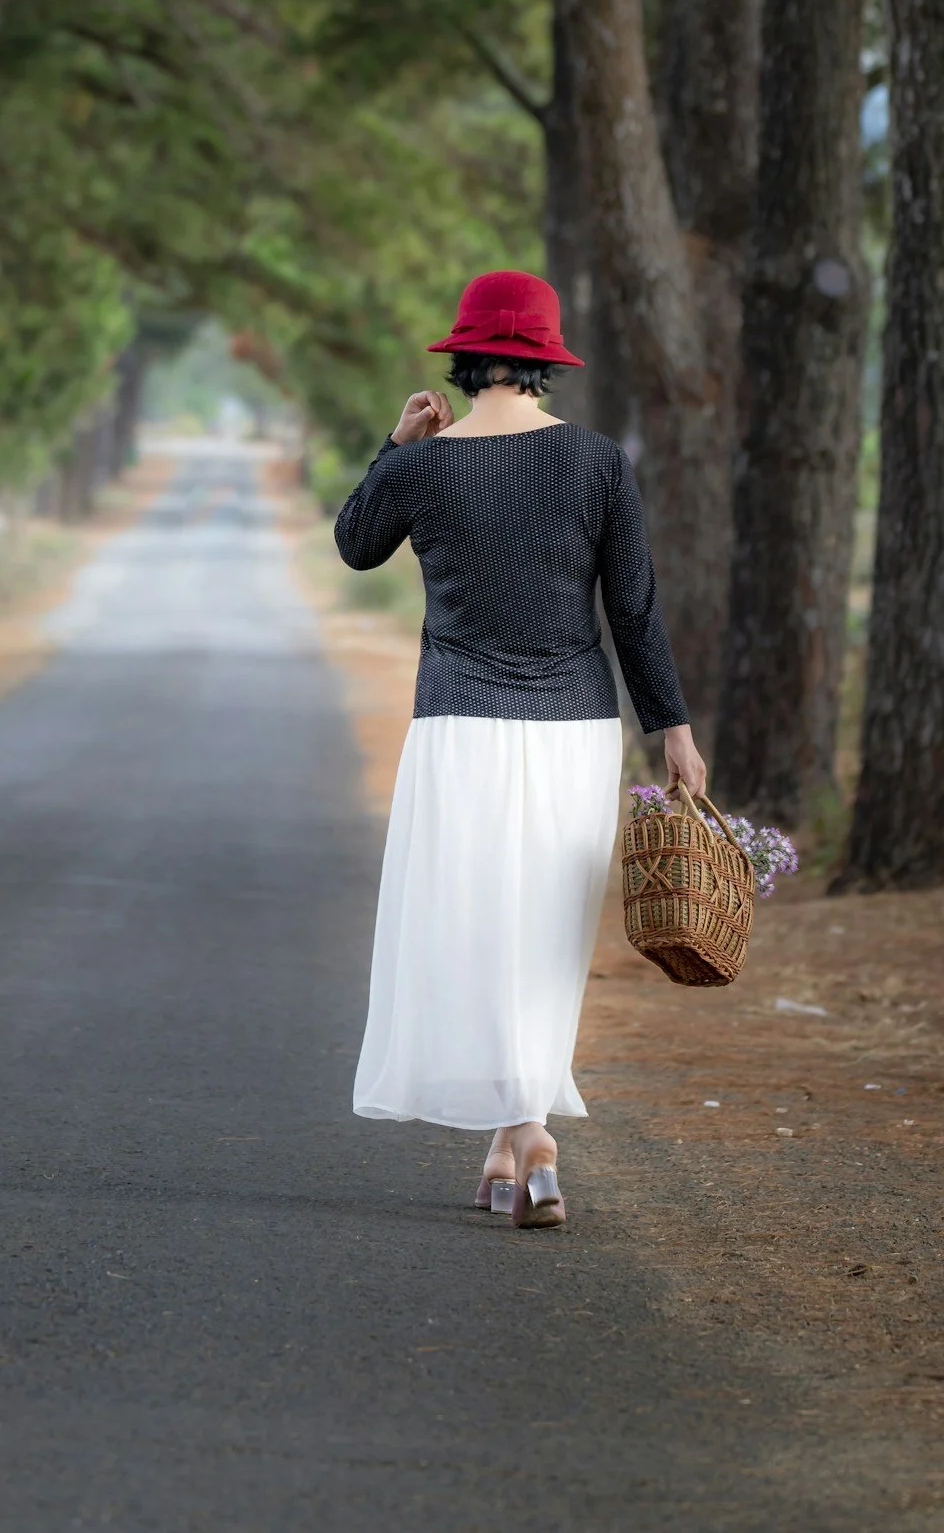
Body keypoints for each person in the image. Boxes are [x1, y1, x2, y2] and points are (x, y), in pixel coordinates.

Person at [335, 268, 706, 1229]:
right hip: (574, 728)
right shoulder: (595, 464)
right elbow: (633, 611)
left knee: (468, 919)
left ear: (460, 361)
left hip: (457, 723)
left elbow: (354, 545)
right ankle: (522, 1133)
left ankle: (520, 1139)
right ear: (546, 362)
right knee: (542, 927)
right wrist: (672, 726)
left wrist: (392, 447)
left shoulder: (423, 466)